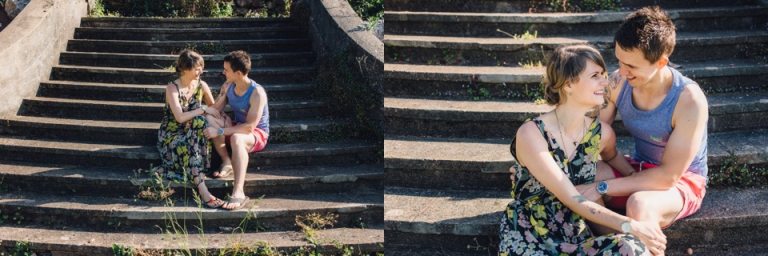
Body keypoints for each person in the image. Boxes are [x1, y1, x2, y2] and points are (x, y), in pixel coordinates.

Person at [500, 45, 667, 255]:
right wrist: (631, 225)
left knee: (633, 247)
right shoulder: (531, 133)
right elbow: (572, 198)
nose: (605, 82)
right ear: (568, 84)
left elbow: (613, 156)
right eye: (595, 75)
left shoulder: (601, 133)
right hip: (531, 236)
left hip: (575, 237)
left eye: (604, 75)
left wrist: (635, 178)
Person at [587, 5, 709, 249]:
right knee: (584, 173)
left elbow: (667, 177)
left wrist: (601, 188)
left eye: (631, 66)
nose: (621, 72)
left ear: (661, 62)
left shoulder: (689, 100)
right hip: (637, 169)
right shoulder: (618, 81)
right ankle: (620, 249)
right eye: (620, 61)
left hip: (681, 182)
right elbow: (591, 137)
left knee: (639, 204)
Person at [154, 50, 224, 208]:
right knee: (199, 118)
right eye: (197, 68)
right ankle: (202, 188)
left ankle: (200, 184)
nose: (201, 71)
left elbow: (213, 110)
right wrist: (202, 110)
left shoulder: (202, 85)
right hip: (172, 136)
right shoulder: (172, 89)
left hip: (193, 135)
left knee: (199, 121)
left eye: (201, 67)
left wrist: (223, 95)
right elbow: (179, 117)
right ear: (185, 69)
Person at [203, 50, 269, 211]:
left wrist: (219, 132)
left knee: (237, 138)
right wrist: (199, 111)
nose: (223, 72)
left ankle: (238, 191)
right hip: (236, 126)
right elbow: (215, 110)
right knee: (210, 119)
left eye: (226, 70)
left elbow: (249, 127)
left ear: (238, 73)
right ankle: (226, 160)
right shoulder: (228, 85)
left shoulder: (257, 93)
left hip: (256, 134)